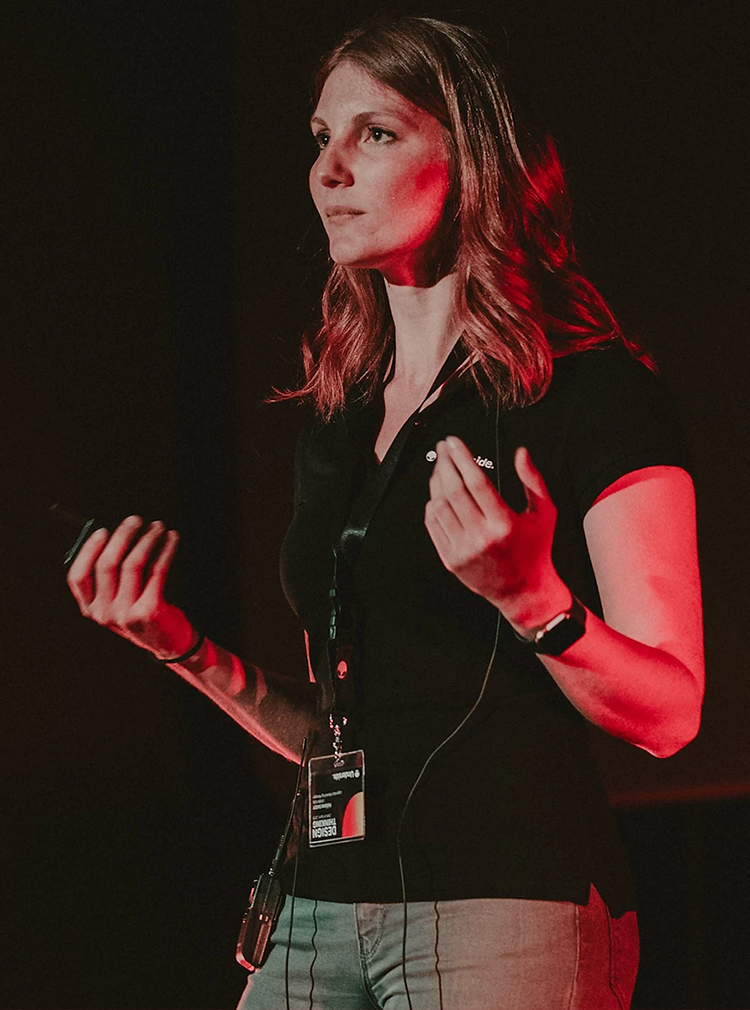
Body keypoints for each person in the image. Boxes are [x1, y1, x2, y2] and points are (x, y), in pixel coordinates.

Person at [66, 14, 704, 1010]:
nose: (329, 170)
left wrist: (534, 598)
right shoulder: (341, 420)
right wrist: (180, 644)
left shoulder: (590, 392)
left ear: (470, 157)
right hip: (319, 900)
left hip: (506, 896)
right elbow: (335, 727)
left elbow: (672, 712)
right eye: (321, 138)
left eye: (375, 133)